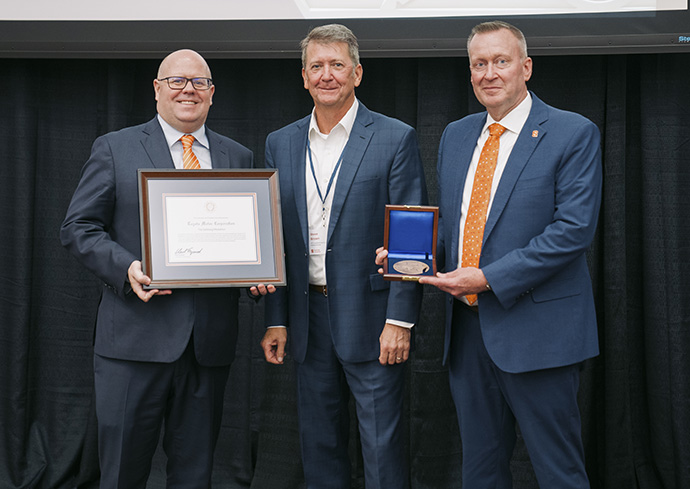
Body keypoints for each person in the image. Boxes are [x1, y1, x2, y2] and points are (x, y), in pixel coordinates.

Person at [380, 20, 602, 488]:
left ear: (526, 67)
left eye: (500, 61)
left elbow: (573, 231)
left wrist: (487, 278)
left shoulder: (571, 132)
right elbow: (459, 229)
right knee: (480, 471)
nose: (489, 73)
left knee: (558, 470)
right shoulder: (457, 135)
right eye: (478, 64)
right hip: (468, 334)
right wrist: (408, 256)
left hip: (540, 335)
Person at [61, 49, 273, 488]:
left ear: (212, 94)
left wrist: (259, 272)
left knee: (194, 476)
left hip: (208, 345)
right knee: (121, 473)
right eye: (176, 81)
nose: (187, 90)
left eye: (198, 83)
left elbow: (251, 242)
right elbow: (79, 226)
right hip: (133, 345)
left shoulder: (239, 156)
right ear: (157, 90)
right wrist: (127, 267)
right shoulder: (116, 147)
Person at [260, 24, 427, 489]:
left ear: (357, 72)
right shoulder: (281, 142)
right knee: (319, 447)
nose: (326, 75)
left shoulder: (395, 137)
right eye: (317, 66)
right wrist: (276, 318)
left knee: (382, 449)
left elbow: (411, 237)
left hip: (373, 320)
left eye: (337, 64)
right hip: (306, 318)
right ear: (303, 76)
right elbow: (275, 238)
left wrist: (400, 320)